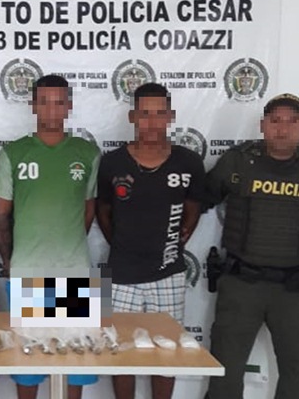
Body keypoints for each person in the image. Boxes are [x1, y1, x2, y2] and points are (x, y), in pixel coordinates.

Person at [204, 93, 299, 399]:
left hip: (296, 288)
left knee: (297, 378)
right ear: (262, 125)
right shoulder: (238, 161)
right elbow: (206, 194)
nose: (282, 129)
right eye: (275, 120)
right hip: (242, 284)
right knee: (224, 377)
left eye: (292, 121)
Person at [0, 75, 100, 399]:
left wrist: (65, 245)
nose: (52, 109)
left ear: (69, 106)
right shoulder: (13, 153)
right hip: (28, 272)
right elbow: (1, 215)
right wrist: (10, 262)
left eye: (58, 102)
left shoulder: (88, 152)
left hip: (75, 273)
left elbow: (88, 211)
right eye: (44, 102)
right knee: (28, 367)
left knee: (76, 363)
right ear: (33, 105)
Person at [96, 83, 205, 399]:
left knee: (167, 354)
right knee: (121, 353)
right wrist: (122, 244)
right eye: (145, 113)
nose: (152, 121)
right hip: (121, 275)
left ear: (170, 116)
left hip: (168, 273)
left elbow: (193, 208)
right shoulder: (113, 162)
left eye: (159, 113)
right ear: (133, 116)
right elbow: (103, 211)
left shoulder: (188, 162)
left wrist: (176, 242)